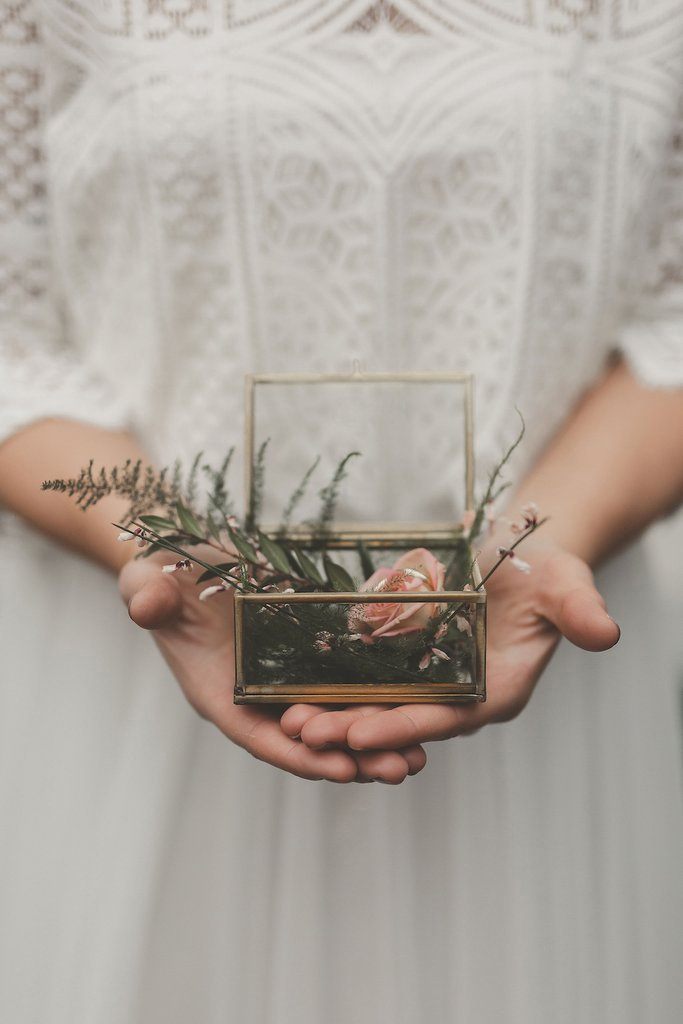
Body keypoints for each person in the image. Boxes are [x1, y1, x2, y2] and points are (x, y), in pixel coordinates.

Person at [0, 3, 681, 1021]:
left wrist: (549, 536)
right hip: (140, 680)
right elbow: (14, 347)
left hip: (538, 677)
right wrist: (170, 545)